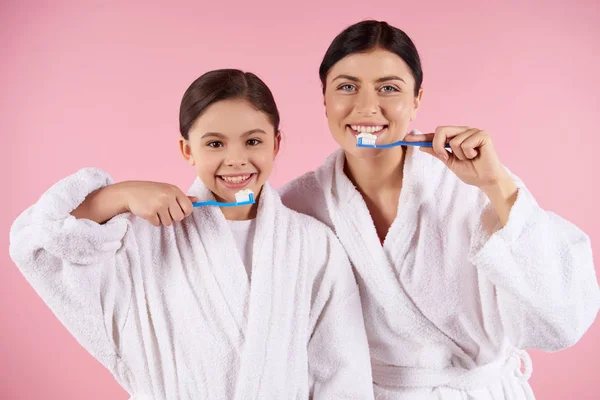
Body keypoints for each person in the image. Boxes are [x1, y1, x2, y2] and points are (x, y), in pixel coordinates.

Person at [280, 20, 600, 399]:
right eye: (347, 87)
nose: (367, 106)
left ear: (416, 100)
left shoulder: (473, 184)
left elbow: (561, 322)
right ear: (325, 100)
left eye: (389, 88)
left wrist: (495, 183)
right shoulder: (297, 206)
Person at [9, 69, 374, 400]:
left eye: (253, 141)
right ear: (188, 149)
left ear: (276, 144)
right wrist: (117, 195)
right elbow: (38, 241)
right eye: (215, 144)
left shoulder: (313, 245)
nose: (235, 160)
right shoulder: (145, 235)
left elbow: (343, 375)